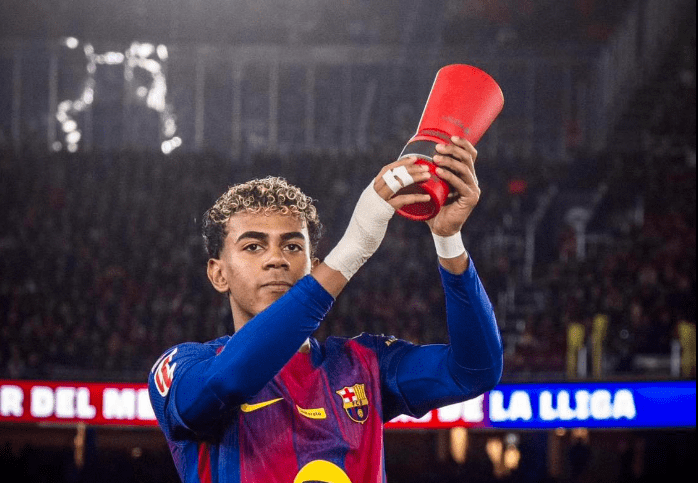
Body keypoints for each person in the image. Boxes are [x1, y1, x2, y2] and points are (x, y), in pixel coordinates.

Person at [148, 136, 503, 482]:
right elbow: (224, 382)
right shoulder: (181, 366)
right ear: (218, 273)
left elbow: (474, 372)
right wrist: (354, 247)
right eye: (254, 246)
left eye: (292, 246)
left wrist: (448, 238)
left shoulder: (365, 364)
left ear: (313, 267)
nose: (276, 259)